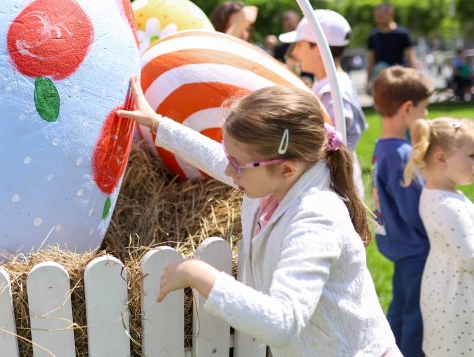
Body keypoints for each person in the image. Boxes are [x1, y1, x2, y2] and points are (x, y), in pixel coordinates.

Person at [118, 79, 395, 355]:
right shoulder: (274, 182)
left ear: (286, 169)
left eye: (237, 163)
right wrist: (157, 123)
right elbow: (216, 158)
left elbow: (283, 323)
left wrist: (197, 273)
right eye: (230, 155)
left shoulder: (315, 218)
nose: (228, 169)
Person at [371, 65, 434, 357]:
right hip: (416, 252)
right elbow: (416, 212)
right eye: (424, 108)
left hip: (396, 247)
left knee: (399, 310)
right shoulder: (402, 155)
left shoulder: (380, 147)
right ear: (408, 108)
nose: (426, 115)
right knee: (416, 321)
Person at [402, 117, 474, 356]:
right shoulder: (446, 205)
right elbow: (470, 258)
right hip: (457, 299)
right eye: (471, 156)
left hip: (449, 287)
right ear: (441, 159)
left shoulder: (441, 193)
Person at [278, 9, 367, 151]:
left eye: (299, 45)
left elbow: (326, 147)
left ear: (319, 49)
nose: (294, 52)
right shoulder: (331, 85)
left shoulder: (332, 95)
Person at [366, 3, 418, 92]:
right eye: (376, 15)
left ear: (391, 13)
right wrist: (368, 80)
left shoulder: (402, 34)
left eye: (381, 15)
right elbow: (371, 61)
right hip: (381, 78)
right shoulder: (373, 36)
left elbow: (411, 58)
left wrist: (413, 77)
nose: (378, 18)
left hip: (399, 77)